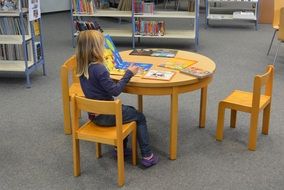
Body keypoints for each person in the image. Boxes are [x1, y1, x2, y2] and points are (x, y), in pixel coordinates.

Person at [75, 30, 158, 168]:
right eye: (102, 45)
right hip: (107, 116)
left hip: (94, 115)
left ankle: (120, 150)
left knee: (126, 110)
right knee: (139, 116)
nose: (104, 48)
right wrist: (129, 74)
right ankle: (147, 155)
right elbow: (115, 91)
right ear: (95, 49)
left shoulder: (82, 68)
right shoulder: (100, 69)